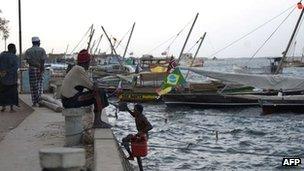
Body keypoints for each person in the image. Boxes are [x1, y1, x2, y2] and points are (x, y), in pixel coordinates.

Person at [60, 49, 111, 128]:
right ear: (86, 62)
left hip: (67, 100)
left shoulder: (76, 69)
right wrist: (97, 86)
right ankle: (97, 122)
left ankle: (98, 120)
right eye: (89, 62)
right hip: (70, 101)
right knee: (98, 92)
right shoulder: (79, 70)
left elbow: (88, 84)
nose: (89, 64)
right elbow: (92, 87)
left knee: (99, 91)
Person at [24, 37, 47, 106]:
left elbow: (28, 61)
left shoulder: (28, 51)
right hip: (39, 69)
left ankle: (34, 102)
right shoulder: (42, 50)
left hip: (31, 69)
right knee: (39, 86)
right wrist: (41, 68)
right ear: (38, 42)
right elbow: (43, 60)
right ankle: (40, 101)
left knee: (33, 86)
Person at [0, 44, 19, 112]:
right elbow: (16, 67)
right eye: (15, 48)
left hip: (3, 78)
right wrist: (9, 71)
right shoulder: (15, 57)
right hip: (12, 79)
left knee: (3, 93)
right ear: (13, 49)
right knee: (12, 93)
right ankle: (11, 108)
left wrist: (3, 72)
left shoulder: (2, 56)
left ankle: (3, 107)